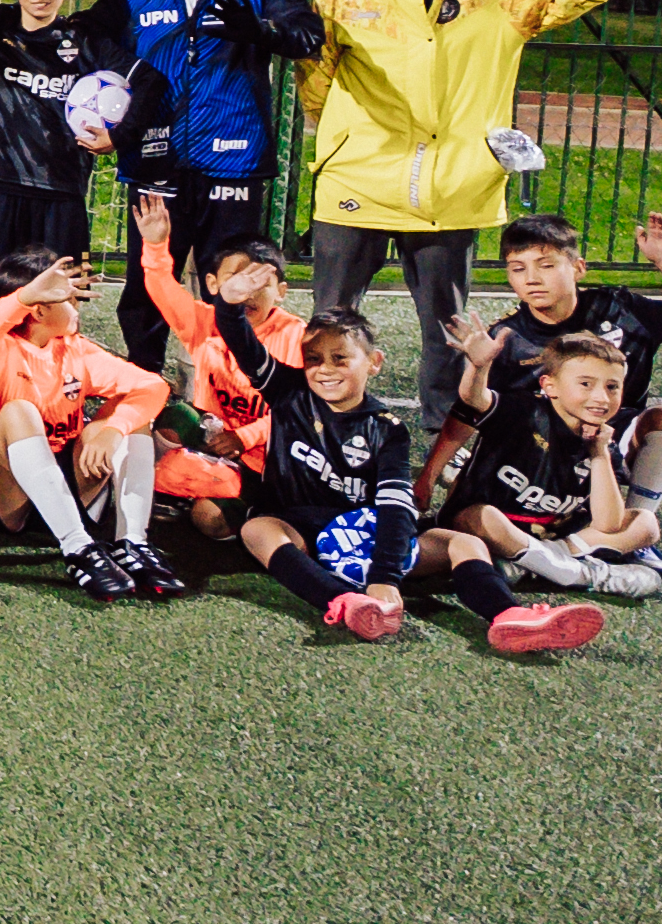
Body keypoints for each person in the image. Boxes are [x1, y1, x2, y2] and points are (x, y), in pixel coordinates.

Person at [300, 0, 619, 437]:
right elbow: (315, 80)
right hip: (357, 182)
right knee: (332, 320)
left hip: (453, 188)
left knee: (446, 327)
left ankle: (446, 439)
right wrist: (346, 141)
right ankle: (320, 424)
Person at [212, 266, 604, 652]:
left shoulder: (388, 428)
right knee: (258, 530)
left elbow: (395, 507)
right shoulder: (288, 391)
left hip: (367, 538)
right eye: (313, 359)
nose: (324, 370)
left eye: (340, 358)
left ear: (374, 362)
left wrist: (385, 576)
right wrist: (229, 303)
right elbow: (242, 343)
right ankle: (343, 603)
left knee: (463, 544)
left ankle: (510, 616)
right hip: (302, 532)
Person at [94, 0, 323, 380]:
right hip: (155, 158)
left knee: (235, 280)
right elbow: (94, 44)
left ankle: (235, 382)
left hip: (234, 159)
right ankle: (146, 380)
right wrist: (112, 122)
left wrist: (261, 31)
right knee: (148, 282)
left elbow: (309, 36)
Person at [460, 209, 662, 534]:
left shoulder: (618, 308)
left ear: (578, 268)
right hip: (545, 449)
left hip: (615, 433)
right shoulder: (507, 339)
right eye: (518, 269)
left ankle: (635, 521)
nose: (532, 279)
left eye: (547, 266)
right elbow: (481, 414)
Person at [0, 249, 178, 601]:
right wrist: (25, 295)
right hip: (7, 503)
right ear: (39, 309)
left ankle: (132, 543)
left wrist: (114, 427)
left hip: (68, 488)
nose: (78, 306)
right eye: (69, 299)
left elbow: (155, 387)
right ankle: (78, 549)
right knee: (17, 411)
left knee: (131, 416)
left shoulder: (74, 350)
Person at [425, 323, 662, 601]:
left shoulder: (602, 438)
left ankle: (533, 567)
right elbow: (474, 398)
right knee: (481, 517)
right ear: (549, 385)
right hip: (490, 533)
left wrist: (599, 453)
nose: (601, 397)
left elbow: (608, 524)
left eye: (612, 386)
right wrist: (479, 366)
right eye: (586, 384)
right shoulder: (521, 410)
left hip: (556, 542)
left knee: (646, 523)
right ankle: (577, 575)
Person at [130, 191, 306, 538]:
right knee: (177, 415)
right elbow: (162, 287)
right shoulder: (203, 320)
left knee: (210, 521)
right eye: (236, 280)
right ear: (212, 285)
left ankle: (232, 498)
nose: (247, 292)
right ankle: (169, 479)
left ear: (281, 291)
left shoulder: (297, 336)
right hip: (211, 437)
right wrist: (155, 245)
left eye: (260, 282)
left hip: (264, 455)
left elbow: (302, 412)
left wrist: (245, 437)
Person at [0, 0, 120, 283]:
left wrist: (120, 133)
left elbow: (137, 80)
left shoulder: (85, 40)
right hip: (3, 181)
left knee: (65, 290)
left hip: (62, 186)